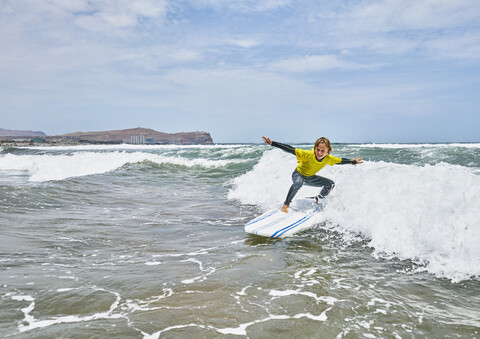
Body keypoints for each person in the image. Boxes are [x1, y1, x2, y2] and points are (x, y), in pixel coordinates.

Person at [262, 136, 363, 213]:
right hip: (298, 175)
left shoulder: (329, 159)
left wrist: (353, 162)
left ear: (328, 151)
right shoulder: (308, 154)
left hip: (310, 177)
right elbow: (290, 149)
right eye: (317, 149)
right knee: (298, 183)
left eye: (322, 151)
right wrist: (272, 143)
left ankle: (317, 200)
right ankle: (285, 205)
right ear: (314, 148)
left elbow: (341, 161)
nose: (319, 152)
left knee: (330, 184)